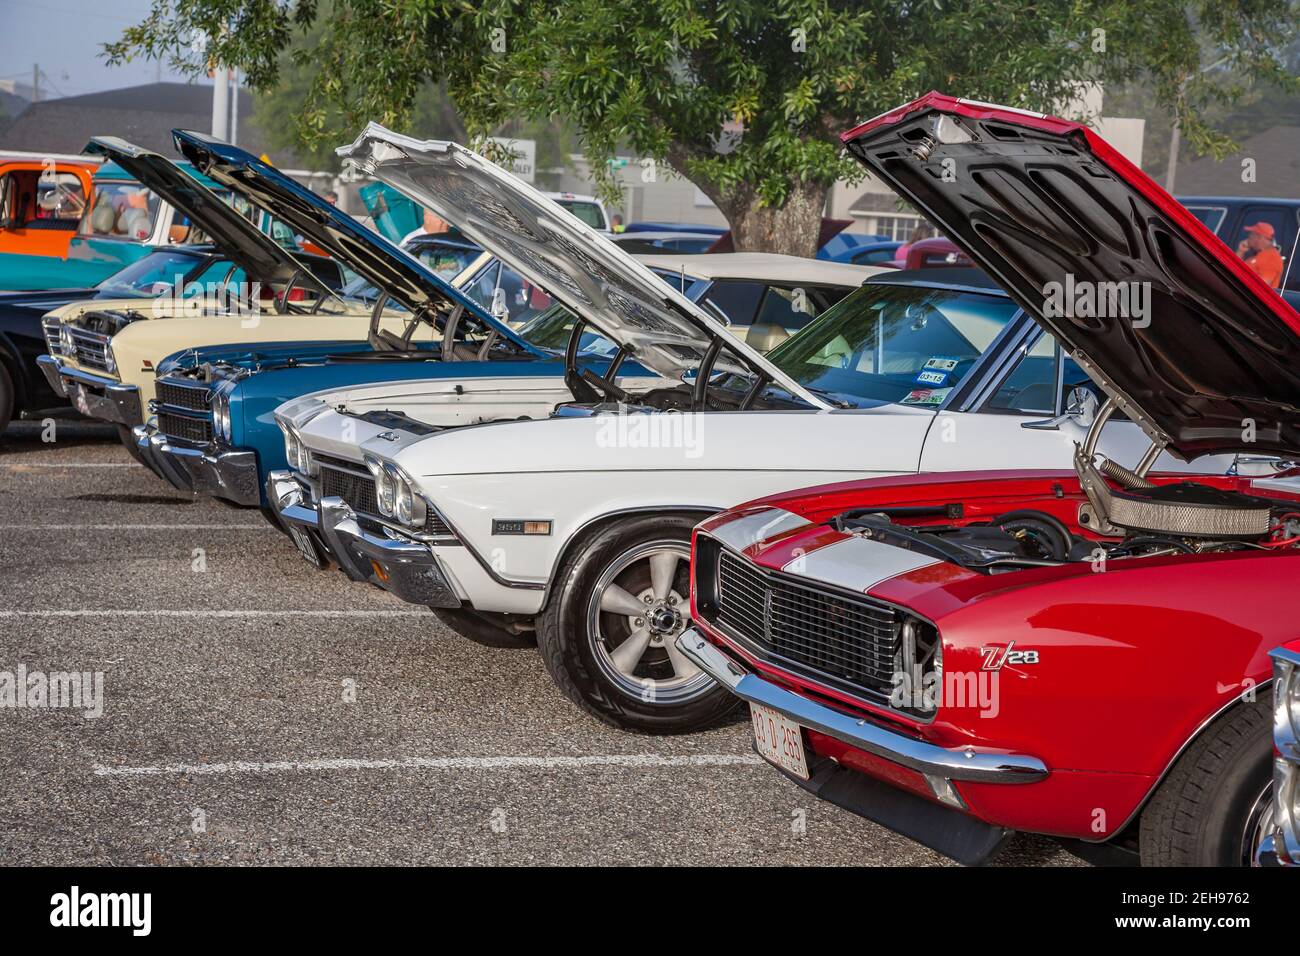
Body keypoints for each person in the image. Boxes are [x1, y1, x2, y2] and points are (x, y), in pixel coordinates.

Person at [1236, 222, 1284, 289]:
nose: (1248, 237)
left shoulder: (1271, 257)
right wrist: (1241, 251)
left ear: (1259, 237)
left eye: (1250, 234)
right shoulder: (1256, 256)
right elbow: (1234, 269)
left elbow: (1261, 287)